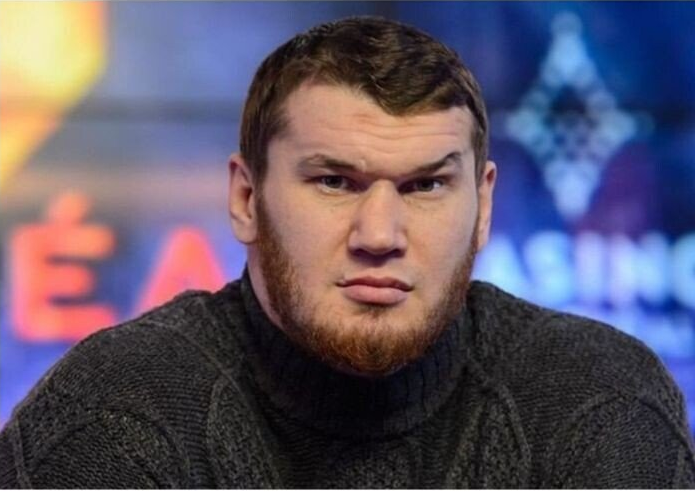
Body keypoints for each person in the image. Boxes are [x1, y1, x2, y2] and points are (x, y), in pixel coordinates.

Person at [0, 16, 693, 489]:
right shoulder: (117, 413)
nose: (379, 234)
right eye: (334, 181)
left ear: (483, 206)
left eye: (426, 185)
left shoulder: (597, 402)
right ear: (246, 198)